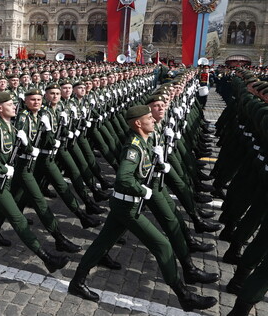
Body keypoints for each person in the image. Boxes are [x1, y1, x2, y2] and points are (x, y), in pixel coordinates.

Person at [68, 105, 217, 312]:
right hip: (127, 206)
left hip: (126, 203)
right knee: (163, 245)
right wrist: (143, 191)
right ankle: (184, 296)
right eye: (149, 117)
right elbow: (124, 178)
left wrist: (159, 165)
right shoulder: (133, 147)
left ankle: (77, 281)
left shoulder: (144, 142)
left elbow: (141, 171)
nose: (153, 120)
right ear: (138, 123)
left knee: (104, 242)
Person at [0, 91, 69, 274]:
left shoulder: (10, 127)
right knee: (18, 219)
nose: (14, 107)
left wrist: (28, 145)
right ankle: (47, 258)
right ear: (0, 108)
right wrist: (3, 169)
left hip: (5, 181)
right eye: (10, 105)